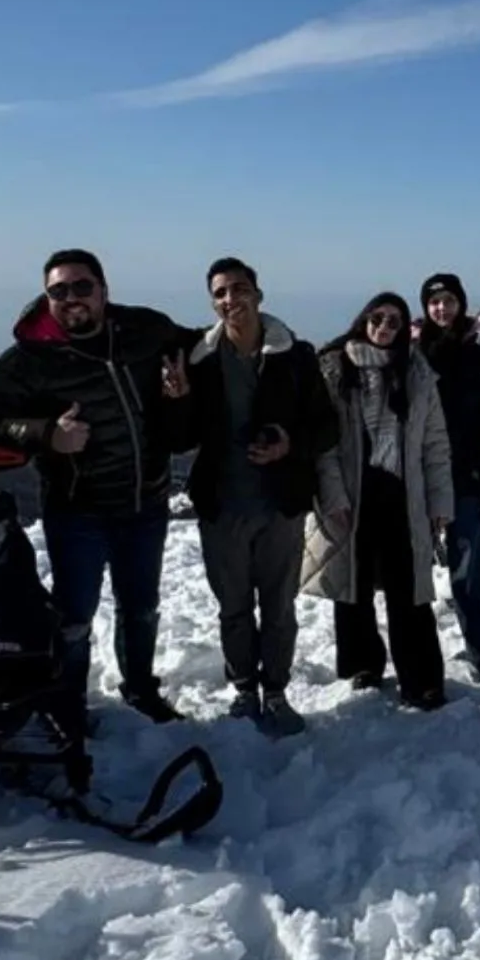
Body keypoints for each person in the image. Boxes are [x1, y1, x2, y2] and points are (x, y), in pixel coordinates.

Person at [0, 252, 194, 728]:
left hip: (146, 501)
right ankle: (67, 703)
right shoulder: (31, 358)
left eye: (81, 287)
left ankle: (141, 690)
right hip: (79, 512)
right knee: (74, 616)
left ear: (103, 289)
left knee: (142, 609)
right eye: (59, 291)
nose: (71, 299)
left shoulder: (144, 332)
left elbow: (203, 348)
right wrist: (45, 434)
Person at [174, 258, 337, 738]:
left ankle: (277, 691)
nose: (231, 300)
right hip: (222, 503)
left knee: (280, 607)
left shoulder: (295, 355)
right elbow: (181, 438)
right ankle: (245, 688)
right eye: (221, 292)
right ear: (212, 302)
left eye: (239, 289)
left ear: (259, 295)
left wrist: (290, 445)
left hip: (280, 503)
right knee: (233, 607)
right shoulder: (199, 361)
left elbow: (327, 425)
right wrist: (178, 397)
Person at [305, 295, 454, 709]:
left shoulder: (418, 373)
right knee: (353, 587)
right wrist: (333, 494)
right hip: (354, 493)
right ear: (363, 320)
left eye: (394, 321)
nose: (385, 326)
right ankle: (361, 665)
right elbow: (326, 444)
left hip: (403, 496)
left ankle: (422, 679)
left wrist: (441, 500)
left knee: (410, 591)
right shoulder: (336, 368)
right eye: (377, 317)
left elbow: (436, 444)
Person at [414, 274, 480, 688]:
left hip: (469, 482)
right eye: (434, 301)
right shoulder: (412, 359)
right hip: (417, 480)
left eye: (449, 300)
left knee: (468, 574)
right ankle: (418, 666)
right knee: (413, 578)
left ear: (461, 304)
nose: (442, 308)